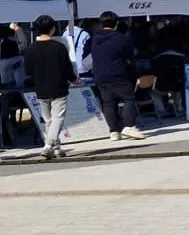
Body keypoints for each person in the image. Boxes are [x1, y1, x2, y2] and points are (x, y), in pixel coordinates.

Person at [86, 11, 146, 141]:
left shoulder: (94, 39)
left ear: (101, 24)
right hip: (118, 73)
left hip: (100, 75)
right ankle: (129, 126)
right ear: (117, 23)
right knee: (128, 98)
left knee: (108, 103)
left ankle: (114, 131)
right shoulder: (121, 38)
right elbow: (129, 57)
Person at [25, 15, 78, 159]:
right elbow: (67, 68)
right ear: (52, 28)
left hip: (40, 88)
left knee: (49, 120)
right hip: (59, 87)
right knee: (58, 118)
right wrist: (74, 80)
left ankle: (57, 148)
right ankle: (49, 144)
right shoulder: (59, 47)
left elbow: (27, 71)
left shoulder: (30, 49)